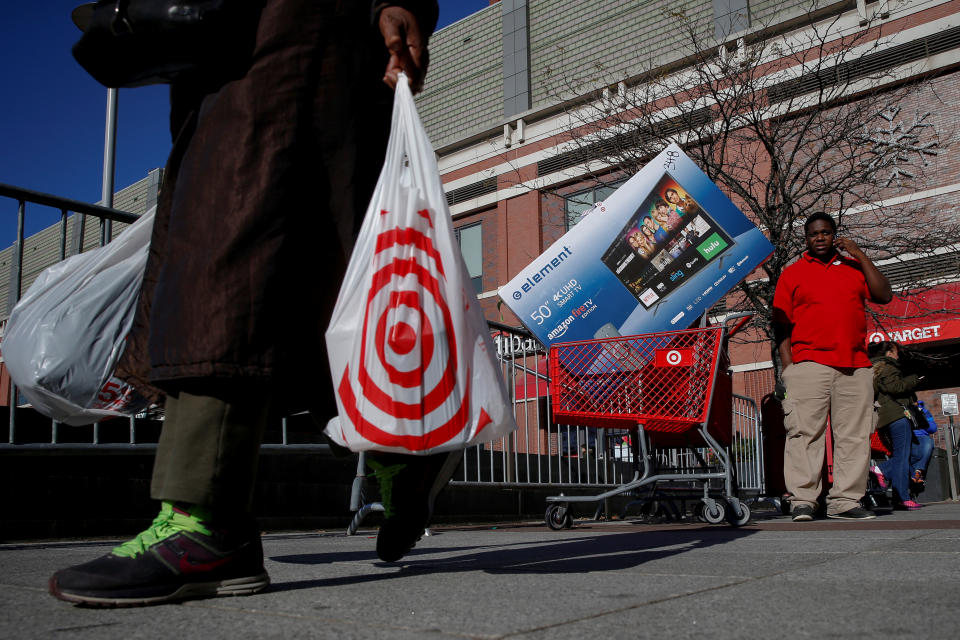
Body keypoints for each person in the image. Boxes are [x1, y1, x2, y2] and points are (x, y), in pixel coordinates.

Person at [50, 0, 448, 608]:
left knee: (229, 274)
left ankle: (206, 524)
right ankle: (403, 451)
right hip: (240, 61)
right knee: (310, 292)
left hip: (291, 54)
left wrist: (400, 2)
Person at [773, 211, 892, 521]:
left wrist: (861, 256)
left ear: (835, 234)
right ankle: (803, 500)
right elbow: (780, 325)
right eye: (814, 234)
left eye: (825, 232)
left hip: (855, 366)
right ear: (806, 238)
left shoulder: (854, 268)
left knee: (854, 436)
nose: (820, 238)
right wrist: (790, 368)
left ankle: (845, 501)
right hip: (809, 365)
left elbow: (884, 294)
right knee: (803, 434)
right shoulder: (792, 274)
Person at [868, 341, 923, 510]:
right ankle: (901, 496)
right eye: (896, 352)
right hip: (897, 416)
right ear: (890, 352)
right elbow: (896, 387)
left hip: (885, 417)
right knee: (902, 456)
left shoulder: (872, 368)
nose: (898, 355)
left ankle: (881, 471)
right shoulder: (888, 367)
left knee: (914, 453)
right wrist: (915, 379)